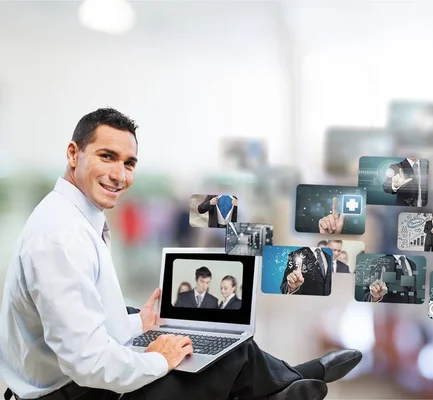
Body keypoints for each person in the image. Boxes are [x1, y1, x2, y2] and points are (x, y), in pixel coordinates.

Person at [0, 108, 361, 400]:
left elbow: (86, 326)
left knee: (172, 327)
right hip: (70, 392)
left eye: (128, 163)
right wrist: (160, 359)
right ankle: (291, 384)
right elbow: (89, 362)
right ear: (73, 154)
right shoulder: (60, 238)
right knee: (214, 356)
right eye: (107, 157)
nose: (119, 174)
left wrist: (138, 323)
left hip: (66, 378)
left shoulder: (72, 217)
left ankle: (287, 382)